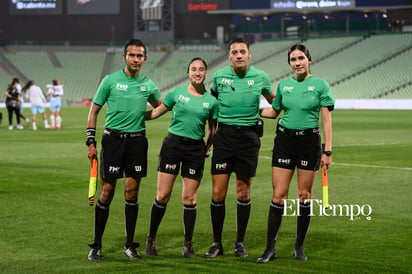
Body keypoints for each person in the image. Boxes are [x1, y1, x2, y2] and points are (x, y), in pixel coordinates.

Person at [256, 43, 335, 263]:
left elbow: (326, 119)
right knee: (278, 195)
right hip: (285, 141)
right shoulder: (284, 85)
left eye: (301, 58)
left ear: (309, 60)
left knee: (304, 195)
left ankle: (298, 247)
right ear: (290, 63)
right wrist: (252, 110)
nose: (297, 63)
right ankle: (269, 248)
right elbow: (274, 111)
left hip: (309, 143)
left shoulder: (320, 85)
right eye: (293, 59)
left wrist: (327, 150)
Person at [85, 39, 162, 262]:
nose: (136, 59)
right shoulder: (110, 81)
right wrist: (90, 142)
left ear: (145, 59)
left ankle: (129, 245)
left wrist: (142, 116)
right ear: (124, 57)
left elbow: (159, 107)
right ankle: (97, 245)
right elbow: (94, 111)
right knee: (107, 192)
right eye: (132, 55)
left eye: (140, 56)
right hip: (113, 141)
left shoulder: (148, 84)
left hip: (137, 142)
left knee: (131, 193)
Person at [204, 37, 275, 258]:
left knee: (243, 193)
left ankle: (239, 243)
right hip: (224, 138)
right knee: (217, 193)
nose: (239, 55)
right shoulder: (219, 76)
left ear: (249, 54)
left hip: (248, 139)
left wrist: (257, 113)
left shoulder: (260, 77)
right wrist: (210, 137)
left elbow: (276, 103)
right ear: (229, 56)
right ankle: (217, 243)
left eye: (242, 51)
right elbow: (212, 105)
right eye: (234, 52)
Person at [144, 57, 218, 258]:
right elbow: (156, 112)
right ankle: (151, 239)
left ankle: (187, 244)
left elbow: (213, 130)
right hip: (172, 146)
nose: (197, 72)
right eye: (193, 69)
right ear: (188, 72)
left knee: (189, 199)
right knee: (162, 196)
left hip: (195, 149)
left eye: (201, 69)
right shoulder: (176, 93)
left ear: (205, 73)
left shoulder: (211, 101)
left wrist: (206, 148)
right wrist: (135, 114)